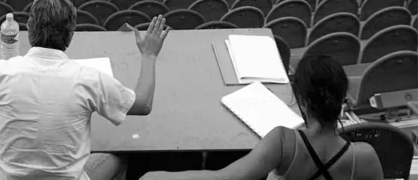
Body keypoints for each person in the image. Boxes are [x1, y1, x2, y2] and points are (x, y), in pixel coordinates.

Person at [0, 0, 170, 180]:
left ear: (29, 30)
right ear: (70, 36)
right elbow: (143, 103)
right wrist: (148, 55)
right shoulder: (90, 79)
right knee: (119, 157)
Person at [139, 55, 383, 180]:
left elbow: (222, 178)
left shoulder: (284, 142)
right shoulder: (366, 156)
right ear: (344, 100)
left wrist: (153, 177)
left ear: (305, 102)